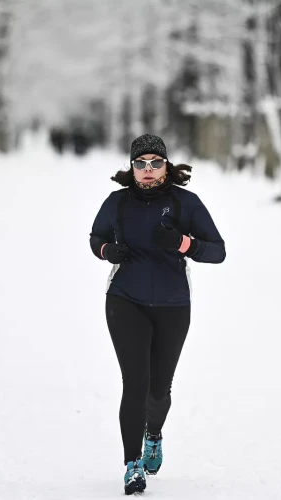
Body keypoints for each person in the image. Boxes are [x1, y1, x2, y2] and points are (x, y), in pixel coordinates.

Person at [89, 134, 226, 494]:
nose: (148, 171)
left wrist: (184, 243)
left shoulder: (186, 204)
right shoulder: (117, 203)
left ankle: (154, 433)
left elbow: (218, 251)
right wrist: (106, 250)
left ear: (166, 165)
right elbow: (95, 238)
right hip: (125, 300)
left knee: (158, 389)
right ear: (131, 168)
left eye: (155, 163)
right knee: (134, 384)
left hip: (173, 305)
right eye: (140, 164)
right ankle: (132, 465)